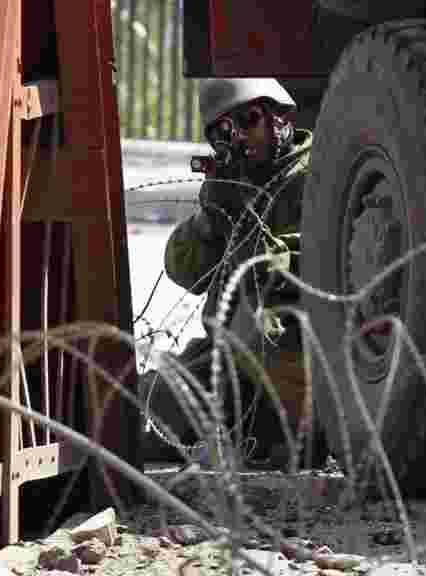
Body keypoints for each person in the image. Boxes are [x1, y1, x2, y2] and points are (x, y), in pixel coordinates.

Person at [150, 78, 315, 466]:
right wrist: (211, 221)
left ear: (279, 117)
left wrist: (254, 234)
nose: (241, 137)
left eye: (250, 119)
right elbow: (185, 273)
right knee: (157, 394)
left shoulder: (319, 175)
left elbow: (309, 268)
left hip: (295, 346)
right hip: (234, 352)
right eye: (225, 132)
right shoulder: (236, 184)